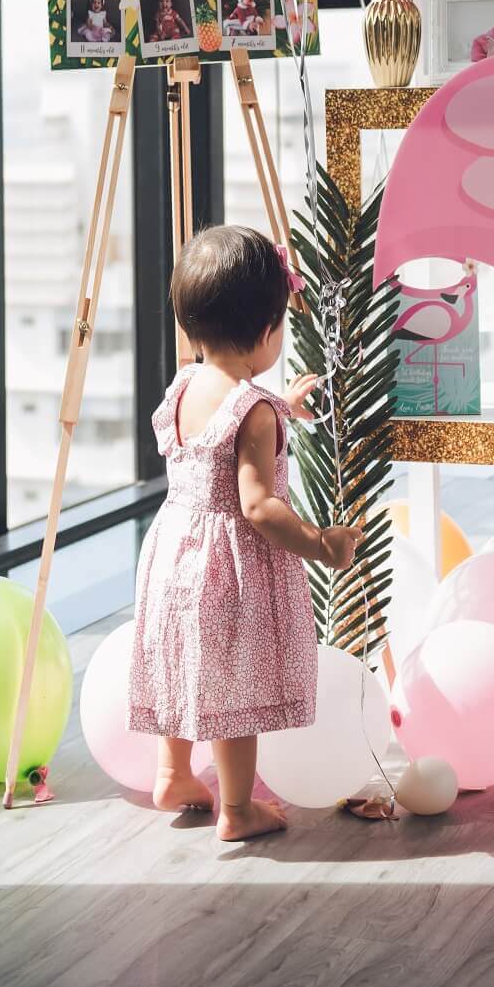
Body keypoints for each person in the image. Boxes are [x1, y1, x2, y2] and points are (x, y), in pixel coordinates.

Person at [129, 226, 358, 840]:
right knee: (233, 684)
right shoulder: (253, 410)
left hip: (173, 550)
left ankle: (173, 774)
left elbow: (220, 422)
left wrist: (282, 406)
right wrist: (320, 543)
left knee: (182, 663)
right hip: (227, 567)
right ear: (266, 333)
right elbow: (258, 506)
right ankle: (237, 809)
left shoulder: (185, 383)